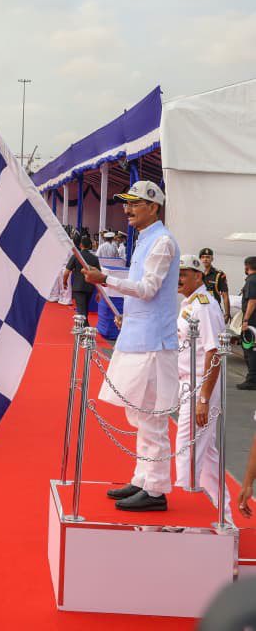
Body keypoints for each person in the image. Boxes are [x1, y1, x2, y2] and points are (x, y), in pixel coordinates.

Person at [82, 180, 179, 512]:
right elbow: (146, 294)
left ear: (153, 206)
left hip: (153, 342)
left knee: (151, 416)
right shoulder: (146, 240)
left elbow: (149, 288)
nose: (127, 209)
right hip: (139, 336)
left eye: (135, 204)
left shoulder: (162, 242)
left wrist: (106, 279)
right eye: (126, 203)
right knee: (138, 413)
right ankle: (143, 478)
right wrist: (129, 315)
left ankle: (155, 489)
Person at [174, 254, 231, 519]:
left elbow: (214, 351)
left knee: (187, 453)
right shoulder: (190, 303)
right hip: (191, 385)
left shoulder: (204, 305)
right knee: (207, 458)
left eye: (184, 273)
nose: (180, 278)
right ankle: (224, 518)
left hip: (201, 386)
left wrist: (204, 398)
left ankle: (185, 519)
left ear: (199, 276)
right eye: (178, 273)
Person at [63, 234, 100, 324]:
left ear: (80, 245)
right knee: (85, 308)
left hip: (78, 287)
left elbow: (66, 272)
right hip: (89, 287)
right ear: (90, 246)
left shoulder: (76, 256)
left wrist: (64, 282)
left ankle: (84, 329)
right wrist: (99, 291)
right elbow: (99, 275)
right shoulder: (94, 258)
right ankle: (85, 328)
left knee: (81, 309)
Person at [236, 257, 256, 390]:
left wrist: (245, 320)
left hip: (252, 321)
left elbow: (252, 301)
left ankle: (252, 380)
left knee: (250, 349)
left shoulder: (251, 280)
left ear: (247, 266)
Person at [199, 247, 230, 321]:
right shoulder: (196, 274)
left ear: (212, 259)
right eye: (203, 257)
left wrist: (227, 314)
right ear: (200, 259)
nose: (205, 259)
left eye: (207, 257)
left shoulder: (219, 275)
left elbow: (225, 295)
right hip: (199, 310)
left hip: (214, 310)